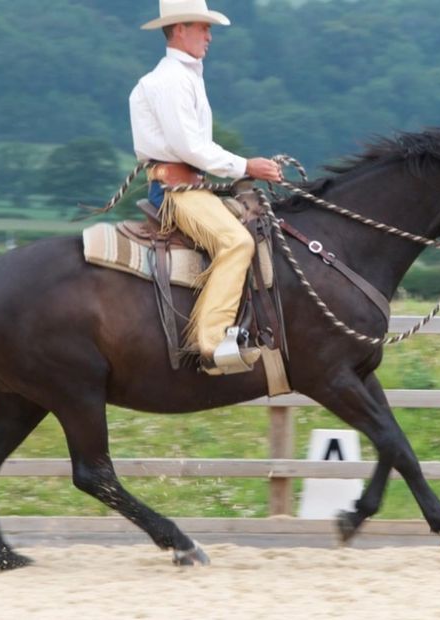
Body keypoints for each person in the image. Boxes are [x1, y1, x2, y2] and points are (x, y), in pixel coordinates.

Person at [130, 0, 283, 374]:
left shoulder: (185, 77)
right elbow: (190, 148)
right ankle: (211, 343)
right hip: (174, 193)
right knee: (237, 242)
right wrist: (246, 166)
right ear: (179, 29)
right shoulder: (170, 81)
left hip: (190, 186)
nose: (210, 36)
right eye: (203, 28)